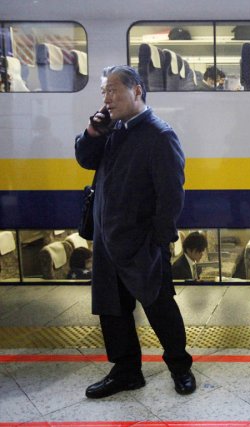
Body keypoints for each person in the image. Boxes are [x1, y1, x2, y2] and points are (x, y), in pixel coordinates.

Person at [74, 65, 195, 399]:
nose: (107, 99)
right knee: (112, 310)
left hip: (142, 243)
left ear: (137, 90)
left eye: (113, 90)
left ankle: (180, 367)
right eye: (104, 92)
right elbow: (84, 159)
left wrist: (159, 240)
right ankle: (126, 372)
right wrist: (92, 131)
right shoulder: (110, 129)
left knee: (160, 308)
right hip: (107, 239)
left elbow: (171, 194)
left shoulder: (159, 134)